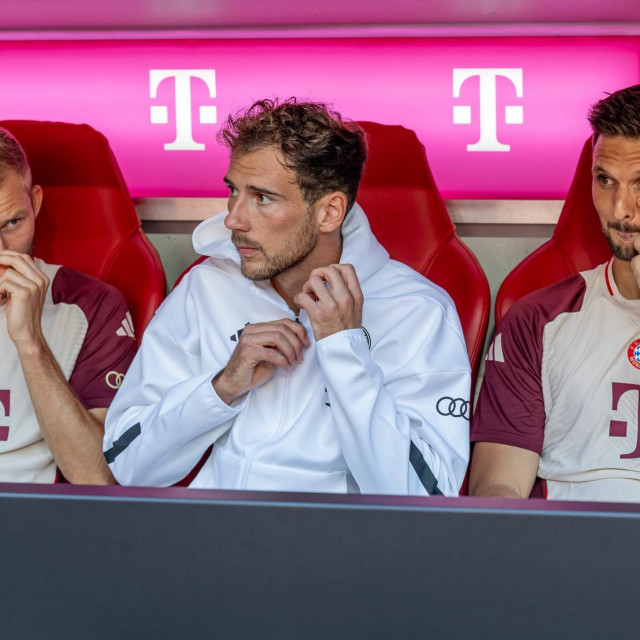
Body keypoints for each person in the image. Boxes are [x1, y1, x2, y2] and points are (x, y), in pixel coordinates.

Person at [103, 98, 470, 495]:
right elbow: (129, 465)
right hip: (213, 541)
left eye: (262, 198)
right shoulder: (205, 287)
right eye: (233, 191)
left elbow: (425, 499)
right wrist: (221, 387)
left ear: (329, 212)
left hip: (342, 550)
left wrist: (346, 352)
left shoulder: (419, 310)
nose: (233, 219)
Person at [470, 84, 640, 502]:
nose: (620, 209)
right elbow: (498, 488)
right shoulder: (539, 319)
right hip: (572, 550)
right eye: (605, 181)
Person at [0, 127, 136, 484]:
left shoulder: (90, 305)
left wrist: (30, 343)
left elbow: (97, 479)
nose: (1, 251)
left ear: (36, 203)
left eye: (13, 222)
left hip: (29, 523)